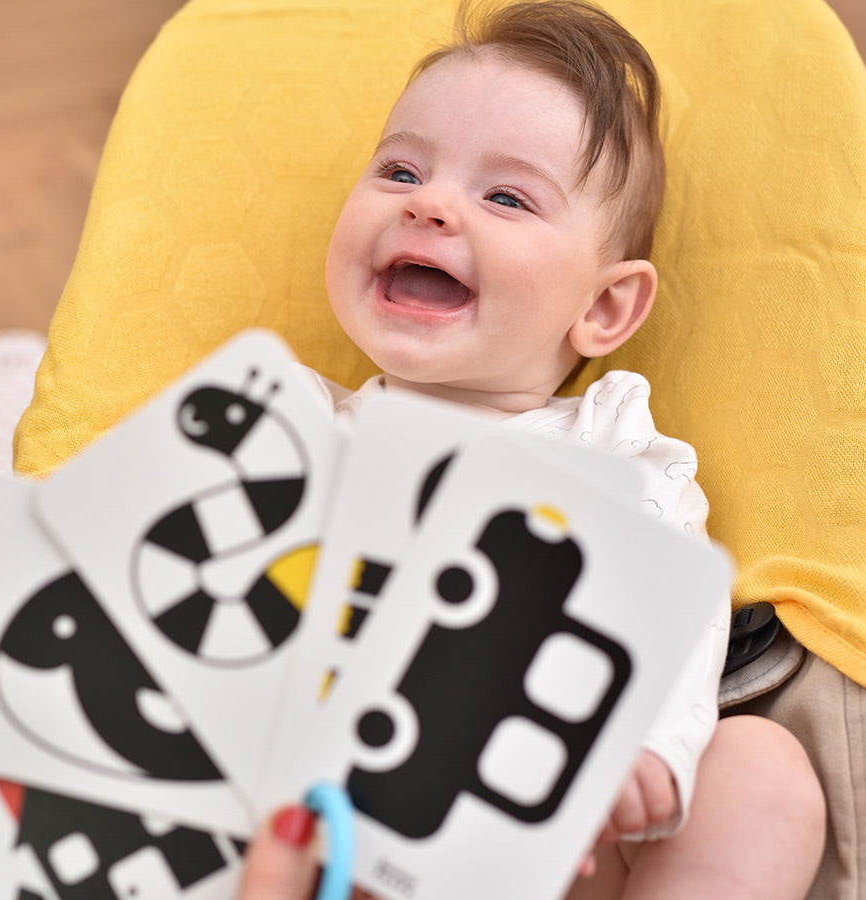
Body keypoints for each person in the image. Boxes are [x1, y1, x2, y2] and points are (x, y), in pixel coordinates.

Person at [240, 1, 827, 897]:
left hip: (559, 819)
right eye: (400, 170)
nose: (428, 204)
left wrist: (652, 749)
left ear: (602, 309)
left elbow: (678, 608)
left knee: (764, 772)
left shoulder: (614, 448)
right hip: (352, 825)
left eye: (506, 196)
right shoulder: (304, 424)